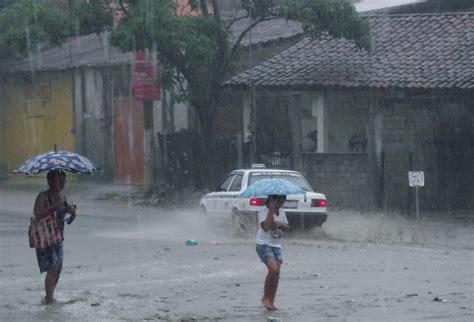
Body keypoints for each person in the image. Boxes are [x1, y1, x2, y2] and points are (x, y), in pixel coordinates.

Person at [33, 169, 76, 304]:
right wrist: (52, 206)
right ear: (50, 181)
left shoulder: (64, 197)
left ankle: (49, 296)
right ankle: (49, 299)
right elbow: (38, 214)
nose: (60, 183)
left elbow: (72, 211)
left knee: (58, 270)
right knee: (53, 267)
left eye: (63, 180)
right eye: (57, 180)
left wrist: (71, 212)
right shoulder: (43, 196)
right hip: (45, 238)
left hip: (58, 238)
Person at [255, 194, 290, 310]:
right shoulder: (263, 211)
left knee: (276, 273)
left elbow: (287, 227)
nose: (280, 205)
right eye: (278, 202)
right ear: (271, 200)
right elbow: (265, 227)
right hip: (264, 244)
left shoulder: (282, 212)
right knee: (273, 269)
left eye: (282, 203)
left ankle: (271, 301)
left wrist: (280, 224)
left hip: (276, 245)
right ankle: (265, 298)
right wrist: (271, 211)